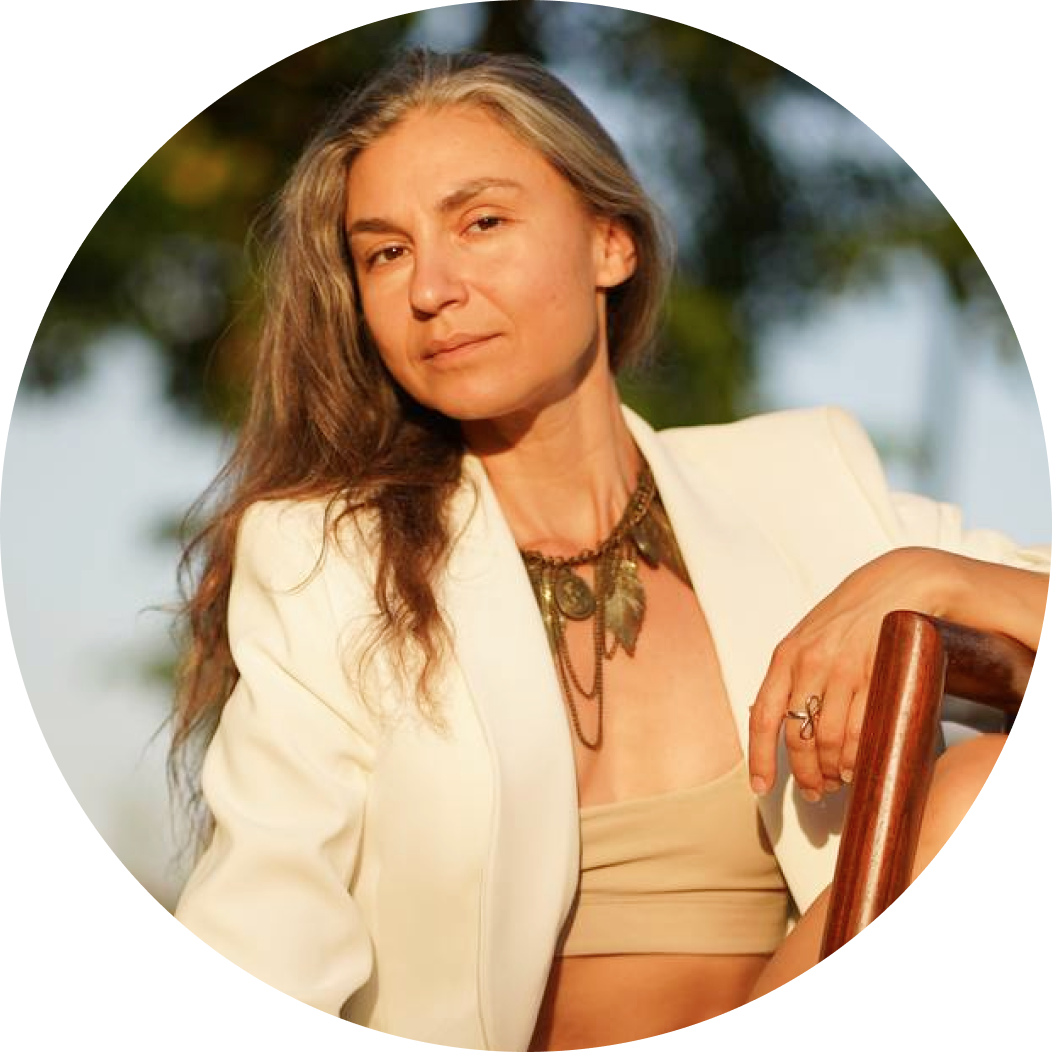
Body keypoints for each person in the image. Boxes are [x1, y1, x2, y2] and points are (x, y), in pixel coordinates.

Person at [171, 48, 1048, 1051]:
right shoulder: (324, 558)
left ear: (610, 244)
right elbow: (268, 911)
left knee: (975, 779)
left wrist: (925, 577)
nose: (431, 288)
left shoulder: (801, 479)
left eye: (481, 222)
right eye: (385, 253)